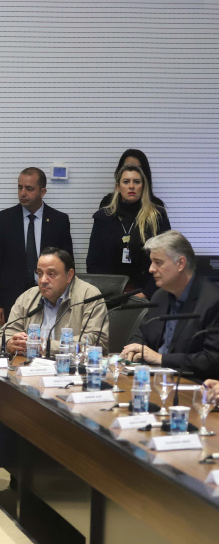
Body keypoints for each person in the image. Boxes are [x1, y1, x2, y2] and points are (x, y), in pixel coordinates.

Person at [121, 231, 219, 380]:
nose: (151, 269)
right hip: (153, 380)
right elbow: (141, 335)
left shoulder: (212, 301)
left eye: (158, 262)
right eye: (151, 262)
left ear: (180, 263)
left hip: (192, 386)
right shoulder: (160, 295)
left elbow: (212, 359)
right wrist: (135, 348)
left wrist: (161, 359)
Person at [0, 167, 73, 324]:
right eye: (20, 187)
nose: (23, 193)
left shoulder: (59, 220)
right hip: (11, 296)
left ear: (42, 192)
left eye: (29, 188)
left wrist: (68, 296)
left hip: (50, 294)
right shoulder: (4, 219)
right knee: (15, 342)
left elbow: (67, 263)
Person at [0, 247, 108, 354]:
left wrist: (46, 346)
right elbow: (3, 337)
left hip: (70, 369)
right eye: (40, 273)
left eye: (51, 274)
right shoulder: (28, 297)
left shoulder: (89, 296)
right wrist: (9, 343)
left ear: (69, 275)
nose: (43, 280)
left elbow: (97, 341)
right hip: (32, 369)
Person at [87, 164, 170, 299]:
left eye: (136, 182)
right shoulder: (103, 217)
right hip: (110, 294)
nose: (131, 186)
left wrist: (146, 293)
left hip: (148, 294)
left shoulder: (157, 216)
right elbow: (94, 262)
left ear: (143, 186)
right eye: (126, 182)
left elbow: (165, 260)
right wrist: (111, 292)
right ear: (118, 187)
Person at [99, 149, 165, 208]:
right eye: (127, 167)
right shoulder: (107, 203)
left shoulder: (156, 206)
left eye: (138, 168)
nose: (132, 171)